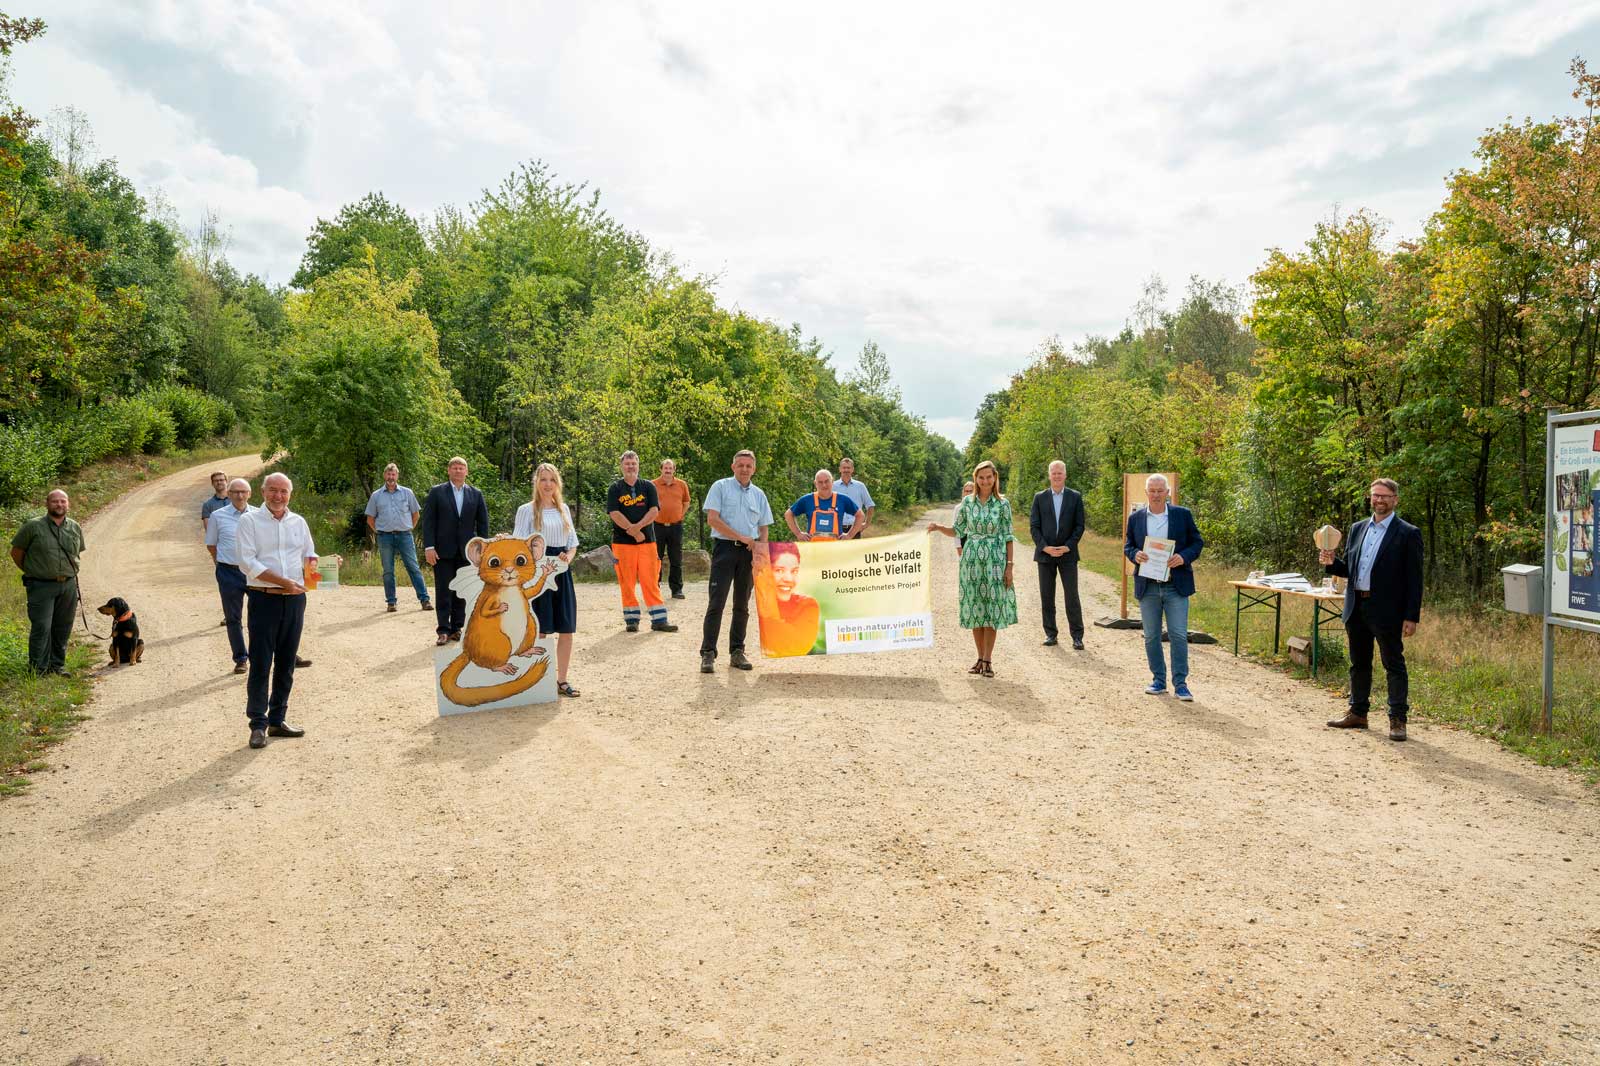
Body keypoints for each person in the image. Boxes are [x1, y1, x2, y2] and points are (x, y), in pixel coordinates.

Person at [1321, 477, 1424, 742]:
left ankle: (1398, 720)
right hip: (1356, 605)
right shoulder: (1357, 529)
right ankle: (1358, 713)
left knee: (1394, 665)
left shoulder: (1408, 533)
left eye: (1384, 496)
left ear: (1395, 500)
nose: (1379, 500)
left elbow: (1415, 579)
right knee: (1359, 663)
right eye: (1375, 495)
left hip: (1388, 610)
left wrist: (1411, 616)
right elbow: (1349, 569)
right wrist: (1331, 562)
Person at [235, 473, 318, 750]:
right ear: (262, 491)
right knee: (261, 663)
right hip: (264, 599)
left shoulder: (299, 522)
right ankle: (258, 725)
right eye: (273, 490)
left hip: (295, 601)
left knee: (286, 662)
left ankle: (277, 720)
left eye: (283, 491)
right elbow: (247, 562)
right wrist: (283, 582)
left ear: (290, 494)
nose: (278, 496)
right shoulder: (249, 521)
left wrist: (328, 565)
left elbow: (308, 557)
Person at [927, 460, 1016, 677]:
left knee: (992, 610)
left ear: (994, 478)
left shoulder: (1002, 504)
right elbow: (957, 531)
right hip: (971, 562)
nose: (985, 481)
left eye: (988, 477)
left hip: (995, 562)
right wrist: (938, 527)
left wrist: (1009, 567)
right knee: (976, 610)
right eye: (981, 477)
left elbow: (1008, 536)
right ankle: (979, 658)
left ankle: (988, 659)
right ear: (976, 479)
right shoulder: (968, 503)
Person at [1125, 474, 1204, 701]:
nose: (1156, 495)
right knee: (1151, 636)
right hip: (1148, 586)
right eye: (1152, 491)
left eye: (1160, 490)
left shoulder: (1182, 515)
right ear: (1146, 493)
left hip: (1175, 585)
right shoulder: (1136, 518)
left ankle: (1181, 684)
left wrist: (1183, 557)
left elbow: (1197, 543)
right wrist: (1135, 554)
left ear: (1168, 492)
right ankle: (1158, 680)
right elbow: (1128, 545)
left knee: (1178, 634)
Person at [700, 449, 774, 673]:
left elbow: (763, 526)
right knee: (717, 603)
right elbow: (713, 519)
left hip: (749, 554)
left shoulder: (759, 495)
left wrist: (760, 551)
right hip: (724, 549)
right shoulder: (720, 487)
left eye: (748, 466)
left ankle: (737, 652)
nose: (744, 469)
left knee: (742, 605)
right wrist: (739, 537)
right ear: (733, 467)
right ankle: (708, 653)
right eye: (740, 465)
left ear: (754, 469)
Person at [513, 462, 581, 697]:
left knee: (566, 628)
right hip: (537, 574)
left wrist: (567, 558)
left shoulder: (563, 510)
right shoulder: (526, 510)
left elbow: (572, 544)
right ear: (536, 483)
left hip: (561, 573)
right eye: (543, 479)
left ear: (557, 483)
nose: (547, 484)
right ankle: (538, 682)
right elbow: (518, 545)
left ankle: (562, 680)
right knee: (539, 629)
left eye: (551, 480)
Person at [9, 489, 85, 676]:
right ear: (47, 504)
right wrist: (34, 571)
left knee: (63, 627)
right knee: (42, 627)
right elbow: (16, 553)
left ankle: (57, 666)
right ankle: (38, 669)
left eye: (63, 501)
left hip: (68, 585)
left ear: (68, 504)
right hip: (41, 586)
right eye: (55, 501)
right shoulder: (33, 526)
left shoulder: (74, 527)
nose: (59, 504)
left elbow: (77, 553)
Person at [422, 456, 489, 647]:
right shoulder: (437, 492)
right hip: (442, 551)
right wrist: (429, 547)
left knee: (462, 591)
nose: (458, 471)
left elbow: (482, 524)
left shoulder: (476, 494)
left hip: (467, 552)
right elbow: (428, 521)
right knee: (444, 590)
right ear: (449, 470)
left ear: (466, 471)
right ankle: (443, 630)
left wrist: (482, 549)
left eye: (461, 468)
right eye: (455, 468)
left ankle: (457, 628)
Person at [607, 451, 676, 633]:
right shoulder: (615, 488)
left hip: (647, 543)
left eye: (633, 463)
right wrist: (633, 531)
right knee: (626, 582)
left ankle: (659, 620)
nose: (631, 466)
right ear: (622, 466)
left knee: (651, 580)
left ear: (638, 465)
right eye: (627, 463)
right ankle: (632, 620)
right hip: (622, 544)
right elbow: (614, 513)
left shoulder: (648, 487)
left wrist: (637, 528)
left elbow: (654, 511)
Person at [1030, 461, 1087, 649]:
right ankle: (1050, 634)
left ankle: (1077, 636)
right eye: (1053, 473)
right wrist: (1044, 547)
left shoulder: (1075, 497)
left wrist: (1068, 546)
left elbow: (1080, 525)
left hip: (1067, 554)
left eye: (1060, 473)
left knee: (1072, 597)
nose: (1056, 476)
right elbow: (1034, 527)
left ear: (1065, 475)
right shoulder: (1039, 498)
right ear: (1049, 475)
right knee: (1047, 596)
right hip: (1045, 555)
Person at [364, 463, 431, 614]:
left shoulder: (407, 493)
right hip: (385, 537)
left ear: (397, 476)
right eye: (388, 474)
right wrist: (379, 532)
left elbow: (416, 514)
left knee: (413, 567)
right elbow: (370, 519)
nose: (391, 477)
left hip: (404, 535)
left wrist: (409, 528)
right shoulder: (376, 495)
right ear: (384, 476)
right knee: (388, 570)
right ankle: (391, 602)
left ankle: (425, 599)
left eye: (393, 474)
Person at [205, 478, 255, 674]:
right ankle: (241, 658)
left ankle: (262, 654)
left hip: (254, 572)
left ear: (249, 494)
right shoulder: (218, 516)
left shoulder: (259, 514)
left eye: (243, 492)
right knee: (233, 618)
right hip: (228, 572)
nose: (240, 496)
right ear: (229, 493)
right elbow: (211, 544)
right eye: (235, 492)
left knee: (261, 615)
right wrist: (222, 563)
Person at [752, 541, 821, 657]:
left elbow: (799, 647)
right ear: (766, 571)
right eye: (779, 570)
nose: (788, 578)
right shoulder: (756, 600)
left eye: (794, 571)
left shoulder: (807, 605)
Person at [651, 459, 692, 600]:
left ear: (674, 470)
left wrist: (680, 515)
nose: (668, 471)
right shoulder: (652, 484)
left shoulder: (682, 484)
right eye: (665, 468)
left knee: (676, 558)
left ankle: (677, 590)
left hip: (675, 527)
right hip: (657, 526)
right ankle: (654, 589)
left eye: (670, 468)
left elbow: (686, 502)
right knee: (656, 558)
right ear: (661, 469)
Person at [784, 469, 862, 542]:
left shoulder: (842, 499)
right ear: (815, 483)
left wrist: (849, 535)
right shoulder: (807, 500)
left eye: (827, 481)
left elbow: (860, 516)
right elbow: (788, 514)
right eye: (820, 482)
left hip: (836, 547)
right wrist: (798, 534)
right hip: (813, 548)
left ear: (832, 481)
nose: (824, 485)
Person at [835, 457, 875, 537]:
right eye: (844, 468)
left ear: (852, 469)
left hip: (855, 529)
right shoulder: (832, 486)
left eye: (848, 468)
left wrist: (866, 524)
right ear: (840, 469)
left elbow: (870, 505)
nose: (846, 470)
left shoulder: (860, 486)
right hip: (836, 528)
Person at [956, 480, 975, 556]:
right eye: (966, 491)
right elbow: (955, 529)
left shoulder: (980, 506)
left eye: (971, 491)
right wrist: (958, 546)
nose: (968, 493)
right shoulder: (958, 508)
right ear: (963, 492)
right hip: (963, 540)